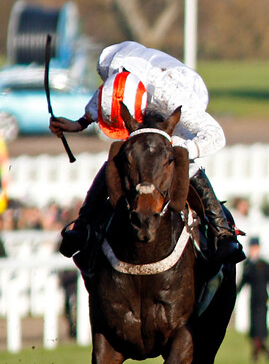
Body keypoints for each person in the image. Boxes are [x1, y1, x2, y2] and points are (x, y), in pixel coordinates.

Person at [49, 40, 244, 265]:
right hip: (144, 92)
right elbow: (106, 95)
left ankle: (223, 233)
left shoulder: (171, 97)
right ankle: (82, 227)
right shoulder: (113, 71)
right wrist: (79, 123)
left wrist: (177, 150)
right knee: (120, 156)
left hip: (182, 94)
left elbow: (216, 136)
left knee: (176, 160)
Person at [237, 237, 269, 363]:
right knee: (255, 329)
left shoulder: (265, 265)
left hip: (263, 300)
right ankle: (267, 353)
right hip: (253, 301)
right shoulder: (247, 265)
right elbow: (242, 283)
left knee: (260, 329)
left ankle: (258, 354)